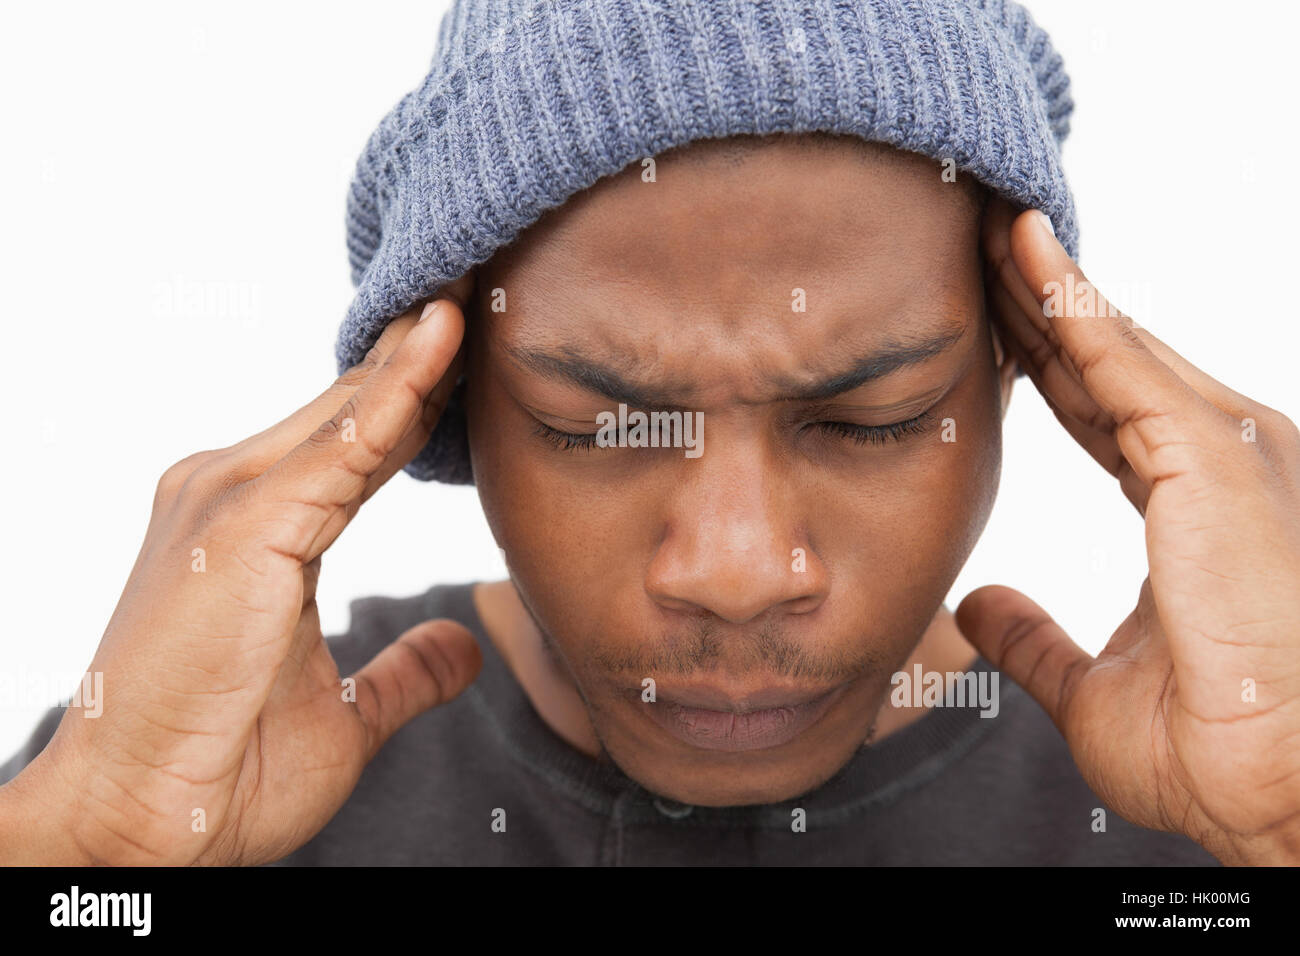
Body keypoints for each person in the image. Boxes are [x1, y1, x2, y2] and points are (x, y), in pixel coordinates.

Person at [3, 0, 1298, 866]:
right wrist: (90, 845)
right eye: (600, 423)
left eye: (868, 419)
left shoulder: (1209, 804)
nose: (735, 573)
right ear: (434, 398)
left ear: (1033, 371)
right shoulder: (188, 771)